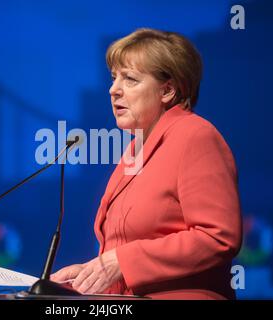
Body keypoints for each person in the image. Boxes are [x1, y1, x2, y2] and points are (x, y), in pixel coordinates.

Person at [51, 28, 242, 300]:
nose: (113, 90)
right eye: (114, 78)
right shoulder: (136, 148)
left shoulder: (195, 136)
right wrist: (89, 275)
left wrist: (122, 262)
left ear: (167, 90)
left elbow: (217, 237)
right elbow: (122, 250)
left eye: (129, 79)